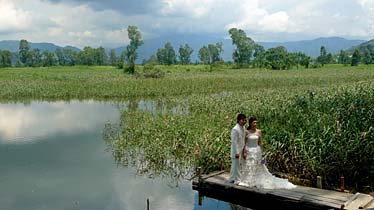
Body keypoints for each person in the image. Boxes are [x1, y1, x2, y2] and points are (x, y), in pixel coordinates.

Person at [239, 116, 296, 189]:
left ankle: (255, 180)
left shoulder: (259, 131)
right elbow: (244, 143)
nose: (255, 124)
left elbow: (260, 143)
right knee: (249, 166)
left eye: (256, 122)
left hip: (257, 151)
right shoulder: (246, 132)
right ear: (250, 123)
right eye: (254, 123)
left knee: (258, 165)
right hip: (249, 150)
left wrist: (262, 153)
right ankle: (248, 180)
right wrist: (244, 152)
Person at [228, 113, 247, 184]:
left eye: (245, 120)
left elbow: (243, 139)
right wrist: (236, 153)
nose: (244, 122)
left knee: (236, 165)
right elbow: (234, 142)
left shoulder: (243, 127)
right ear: (238, 120)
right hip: (236, 151)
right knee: (236, 165)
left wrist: (243, 149)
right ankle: (237, 180)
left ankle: (232, 178)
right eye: (243, 120)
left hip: (241, 149)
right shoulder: (235, 129)